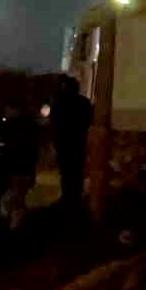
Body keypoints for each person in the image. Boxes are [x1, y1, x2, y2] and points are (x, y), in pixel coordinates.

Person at [50, 77, 93, 214]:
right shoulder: (84, 103)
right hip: (79, 143)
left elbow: (55, 125)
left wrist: (56, 144)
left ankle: (67, 198)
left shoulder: (59, 103)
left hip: (65, 144)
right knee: (77, 172)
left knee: (66, 173)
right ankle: (75, 199)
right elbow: (89, 122)